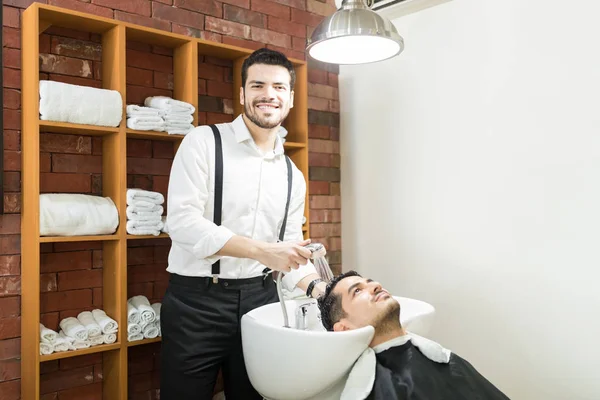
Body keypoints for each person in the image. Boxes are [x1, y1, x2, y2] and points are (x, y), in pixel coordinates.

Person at [160, 48, 328, 400]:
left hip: (261, 300)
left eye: (279, 87)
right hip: (196, 303)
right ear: (242, 94)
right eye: (258, 85)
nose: (269, 94)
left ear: (291, 98)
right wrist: (263, 251)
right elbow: (182, 222)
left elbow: (290, 252)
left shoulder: (292, 175)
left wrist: (320, 289)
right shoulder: (204, 142)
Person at [317, 271, 511, 400]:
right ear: (344, 328)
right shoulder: (378, 387)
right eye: (357, 291)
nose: (375, 285)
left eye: (370, 282)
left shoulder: (442, 360)